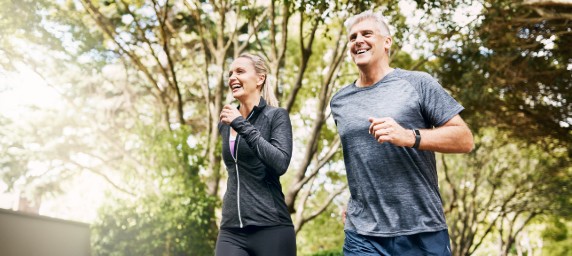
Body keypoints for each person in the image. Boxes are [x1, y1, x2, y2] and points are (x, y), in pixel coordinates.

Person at [330, 10, 474, 256]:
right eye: (353, 37)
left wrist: (410, 136)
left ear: (387, 42)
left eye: (367, 34)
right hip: (362, 231)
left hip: (421, 228)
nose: (358, 41)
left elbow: (464, 139)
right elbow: (360, 160)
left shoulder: (418, 83)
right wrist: (354, 200)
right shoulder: (340, 101)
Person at [216, 53, 296, 256]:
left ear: (260, 78)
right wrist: (235, 122)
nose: (232, 77)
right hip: (231, 229)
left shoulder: (276, 116)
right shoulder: (225, 124)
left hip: (271, 226)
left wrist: (241, 124)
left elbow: (280, 162)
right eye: (230, 73)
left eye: (240, 71)